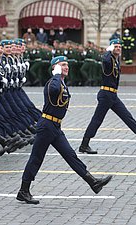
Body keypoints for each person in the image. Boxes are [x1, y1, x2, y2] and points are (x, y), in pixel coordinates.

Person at [16, 56, 112, 204]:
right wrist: (55, 73)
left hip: (54, 126)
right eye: (63, 65)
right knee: (36, 158)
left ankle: (93, 182)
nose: (67, 67)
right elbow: (54, 90)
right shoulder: (52, 82)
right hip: (46, 125)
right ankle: (23, 190)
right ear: (55, 67)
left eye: (67, 65)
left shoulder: (61, 82)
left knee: (70, 155)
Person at [79, 39, 136, 154]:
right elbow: (105, 60)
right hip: (106, 95)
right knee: (97, 120)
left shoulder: (116, 60)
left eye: (119, 47)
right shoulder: (108, 59)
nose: (118, 48)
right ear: (111, 48)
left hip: (112, 95)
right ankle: (84, 144)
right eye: (116, 46)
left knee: (127, 116)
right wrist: (108, 51)